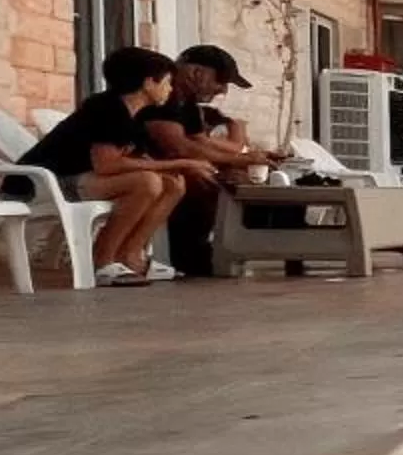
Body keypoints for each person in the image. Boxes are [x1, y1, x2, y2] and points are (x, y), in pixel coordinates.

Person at [19, 47, 216, 286]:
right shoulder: (106, 107)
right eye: (167, 82)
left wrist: (177, 169)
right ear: (148, 83)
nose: (171, 89)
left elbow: (139, 159)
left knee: (174, 183)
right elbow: (107, 164)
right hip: (43, 183)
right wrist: (185, 162)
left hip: (79, 179)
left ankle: (131, 255)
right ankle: (102, 260)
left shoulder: (134, 114)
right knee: (146, 182)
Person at [138, 44, 286, 278]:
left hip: (166, 165)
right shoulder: (163, 96)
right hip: (139, 164)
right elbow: (177, 146)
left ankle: (252, 242)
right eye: (222, 82)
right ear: (197, 73)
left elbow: (201, 142)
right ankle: (190, 257)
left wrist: (246, 158)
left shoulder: (186, 103)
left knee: (228, 178)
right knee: (200, 181)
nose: (223, 90)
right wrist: (237, 160)